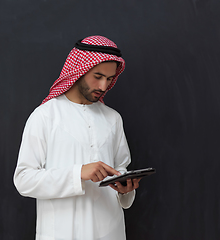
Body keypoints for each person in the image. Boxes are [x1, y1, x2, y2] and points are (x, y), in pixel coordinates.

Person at [14, 35, 141, 240]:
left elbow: (121, 168)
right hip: (62, 232)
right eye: (97, 76)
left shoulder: (113, 119)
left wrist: (125, 188)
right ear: (80, 70)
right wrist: (78, 173)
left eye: (109, 79)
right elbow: (24, 180)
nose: (103, 86)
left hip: (109, 232)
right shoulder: (45, 115)